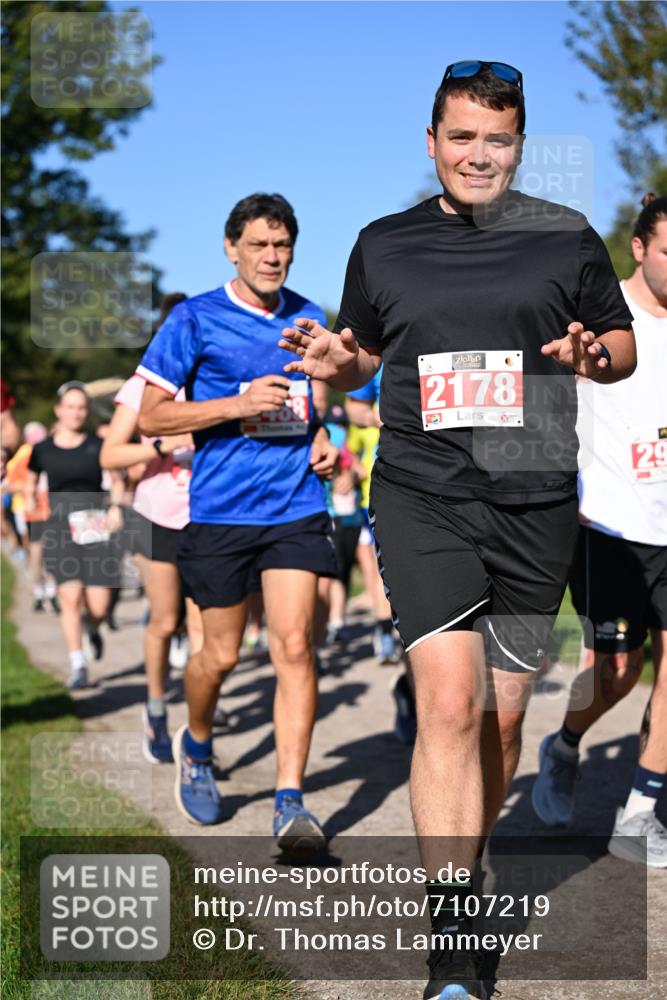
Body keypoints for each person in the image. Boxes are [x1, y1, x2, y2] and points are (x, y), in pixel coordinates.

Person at [280, 61, 636, 998]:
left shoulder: (564, 238)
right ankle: (454, 931)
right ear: (431, 141)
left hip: (534, 503)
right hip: (423, 494)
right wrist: (333, 359)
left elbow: (620, 346)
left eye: (499, 140)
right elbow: (355, 357)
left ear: (519, 146)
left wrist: (593, 356)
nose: (479, 155)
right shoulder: (383, 244)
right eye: (463, 137)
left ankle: (466, 863)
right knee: (447, 703)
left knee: (503, 714)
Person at [137, 193, 338, 851]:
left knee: (294, 645)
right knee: (218, 655)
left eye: (281, 246)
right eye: (258, 245)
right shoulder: (194, 320)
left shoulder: (309, 315)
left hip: (295, 507)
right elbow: (151, 419)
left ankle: (290, 800)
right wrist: (236, 403)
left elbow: (316, 394)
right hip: (221, 511)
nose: (271, 257)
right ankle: (196, 742)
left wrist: (321, 433)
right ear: (231, 248)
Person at [532, 194, 667, 867]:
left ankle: (640, 811)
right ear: (638, 247)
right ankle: (562, 745)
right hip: (608, 518)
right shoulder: (599, 315)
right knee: (617, 670)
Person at [100, 292, 204, 764]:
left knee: (207, 631)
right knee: (165, 620)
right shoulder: (143, 384)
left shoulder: (215, 378)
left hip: (209, 514)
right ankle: (158, 707)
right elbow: (111, 454)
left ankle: (200, 727)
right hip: (155, 515)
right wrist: (164, 444)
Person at [25, 384, 123, 688]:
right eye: (70, 407)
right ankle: (77, 664)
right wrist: (30, 499)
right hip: (58, 528)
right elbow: (30, 477)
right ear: (59, 410)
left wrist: (116, 509)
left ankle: (92, 627)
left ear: (87, 412)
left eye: (81, 407)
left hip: (93, 525)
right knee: (70, 596)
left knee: (99, 606)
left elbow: (117, 480)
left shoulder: (98, 445)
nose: (76, 412)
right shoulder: (43, 449)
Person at [345, 367, 401, 665]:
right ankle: (384, 631)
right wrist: (378, 418)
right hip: (381, 489)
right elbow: (354, 414)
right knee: (385, 571)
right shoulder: (381, 360)